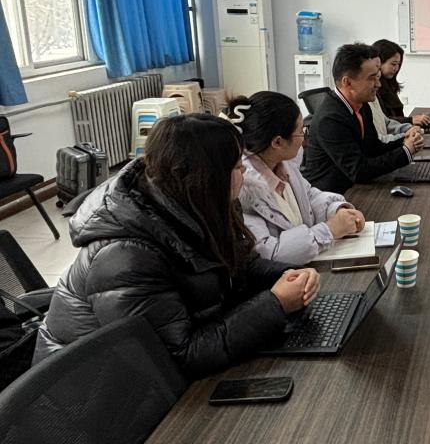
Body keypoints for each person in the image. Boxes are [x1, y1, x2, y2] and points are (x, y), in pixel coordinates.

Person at [34, 114, 320, 379]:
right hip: (92, 389)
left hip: (149, 373)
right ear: (203, 177)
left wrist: (288, 275)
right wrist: (275, 303)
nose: (244, 171)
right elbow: (178, 357)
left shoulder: (202, 204)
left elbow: (240, 265)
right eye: (235, 166)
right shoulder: (126, 256)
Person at [227, 91, 366, 265]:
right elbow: (268, 253)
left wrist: (337, 210)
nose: (304, 139)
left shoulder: (283, 164)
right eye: (301, 132)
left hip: (305, 267)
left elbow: (309, 196)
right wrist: (329, 230)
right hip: (283, 277)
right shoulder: (243, 187)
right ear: (277, 142)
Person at [302, 42, 424, 193]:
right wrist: (405, 151)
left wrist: (405, 140)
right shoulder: (330, 119)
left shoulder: (362, 104)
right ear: (347, 82)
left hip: (354, 188)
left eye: (378, 76)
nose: (378, 84)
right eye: (372, 78)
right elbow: (358, 170)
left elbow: (373, 148)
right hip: (332, 196)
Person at [373, 39, 430, 127]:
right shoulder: (373, 89)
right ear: (379, 62)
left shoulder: (390, 84)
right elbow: (383, 120)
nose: (396, 68)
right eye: (393, 64)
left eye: (398, 64)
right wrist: (410, 120)